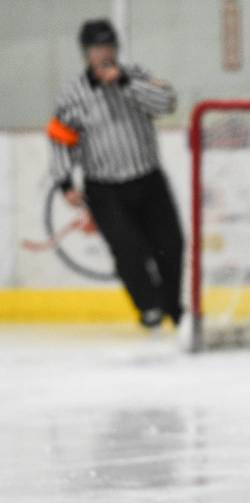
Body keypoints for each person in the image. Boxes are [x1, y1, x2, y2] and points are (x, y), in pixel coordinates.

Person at [48, 19, 183, 329]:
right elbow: (60, 139)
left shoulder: (136, 75)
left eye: (109, 46)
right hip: (105, 188)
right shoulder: (72, 95)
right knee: (128, 249)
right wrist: (65, 182)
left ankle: (174, 308)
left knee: (170, 245)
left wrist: (124, 82)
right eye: (98, 48)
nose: (105, 53)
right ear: (86, 53)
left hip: (148, 179)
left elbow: (167, 103)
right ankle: (149, 305)